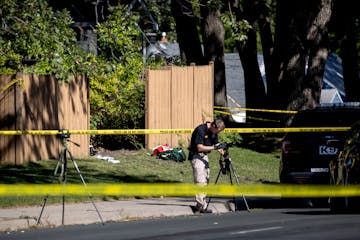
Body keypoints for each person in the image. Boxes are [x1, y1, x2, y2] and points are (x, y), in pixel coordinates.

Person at [188, 119, 226, 213]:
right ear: (213, 126)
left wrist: (223, 152)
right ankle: (201, 206)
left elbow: (216, 143)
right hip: (196, 156)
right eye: (217, 131)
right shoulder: (201, 130)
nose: (217, 133)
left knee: (206, 179)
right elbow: (199, 147)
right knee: (200, 180)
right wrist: (214, 147)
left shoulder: (213, 131)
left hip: (204, 156)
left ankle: (201, 205)